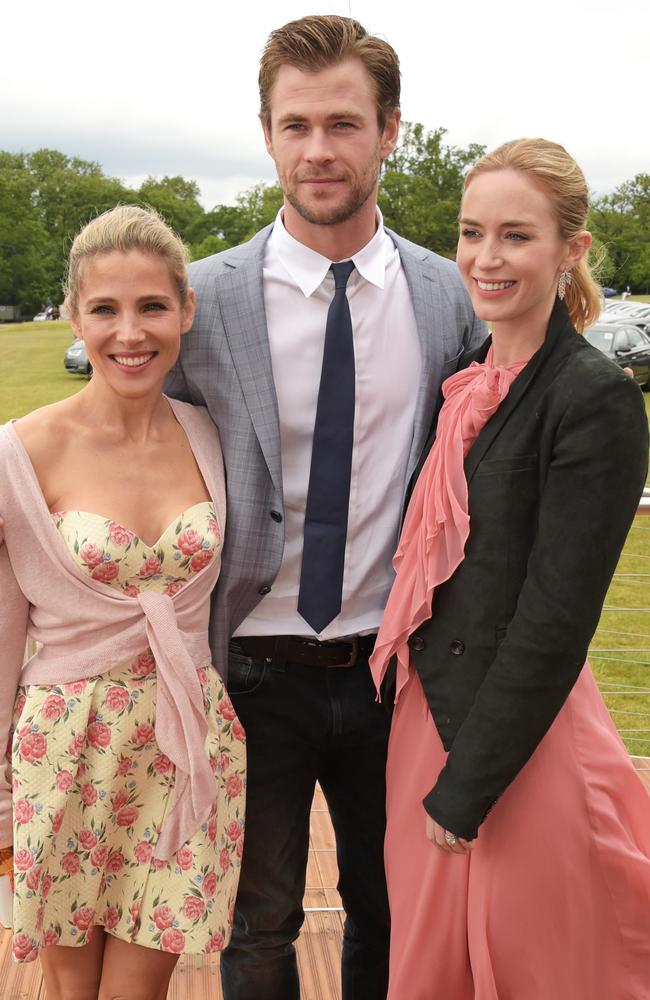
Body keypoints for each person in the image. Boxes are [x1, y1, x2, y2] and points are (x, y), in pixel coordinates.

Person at [164, 14, 485, 999]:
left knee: (391, 907)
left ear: (389, 130)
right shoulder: (199, 299)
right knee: (257, 921)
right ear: (265, 133)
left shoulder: (447, 295)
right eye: (294, 124)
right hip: (250, 670)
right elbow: (132, 457)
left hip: (395, 670)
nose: (316, 149)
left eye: (342, 123)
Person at [369, 138, 650, 999]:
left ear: (572, 251)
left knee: (535, 966)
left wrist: (468, 787)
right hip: (426, 716)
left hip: (512, 744)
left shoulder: (592, 396)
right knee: (429, 964)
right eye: (471, 232)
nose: (486, 258)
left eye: (517, 236)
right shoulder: (468, 377)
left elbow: (554, 618)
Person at [0, 206, 246, 1000]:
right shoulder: (20, 453)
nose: (129, 332)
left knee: (140, 993)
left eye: (151, 306)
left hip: (188, 747)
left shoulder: (216, 437)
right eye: (104, 308)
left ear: (186, 311)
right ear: (74, 315)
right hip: (65, 754)